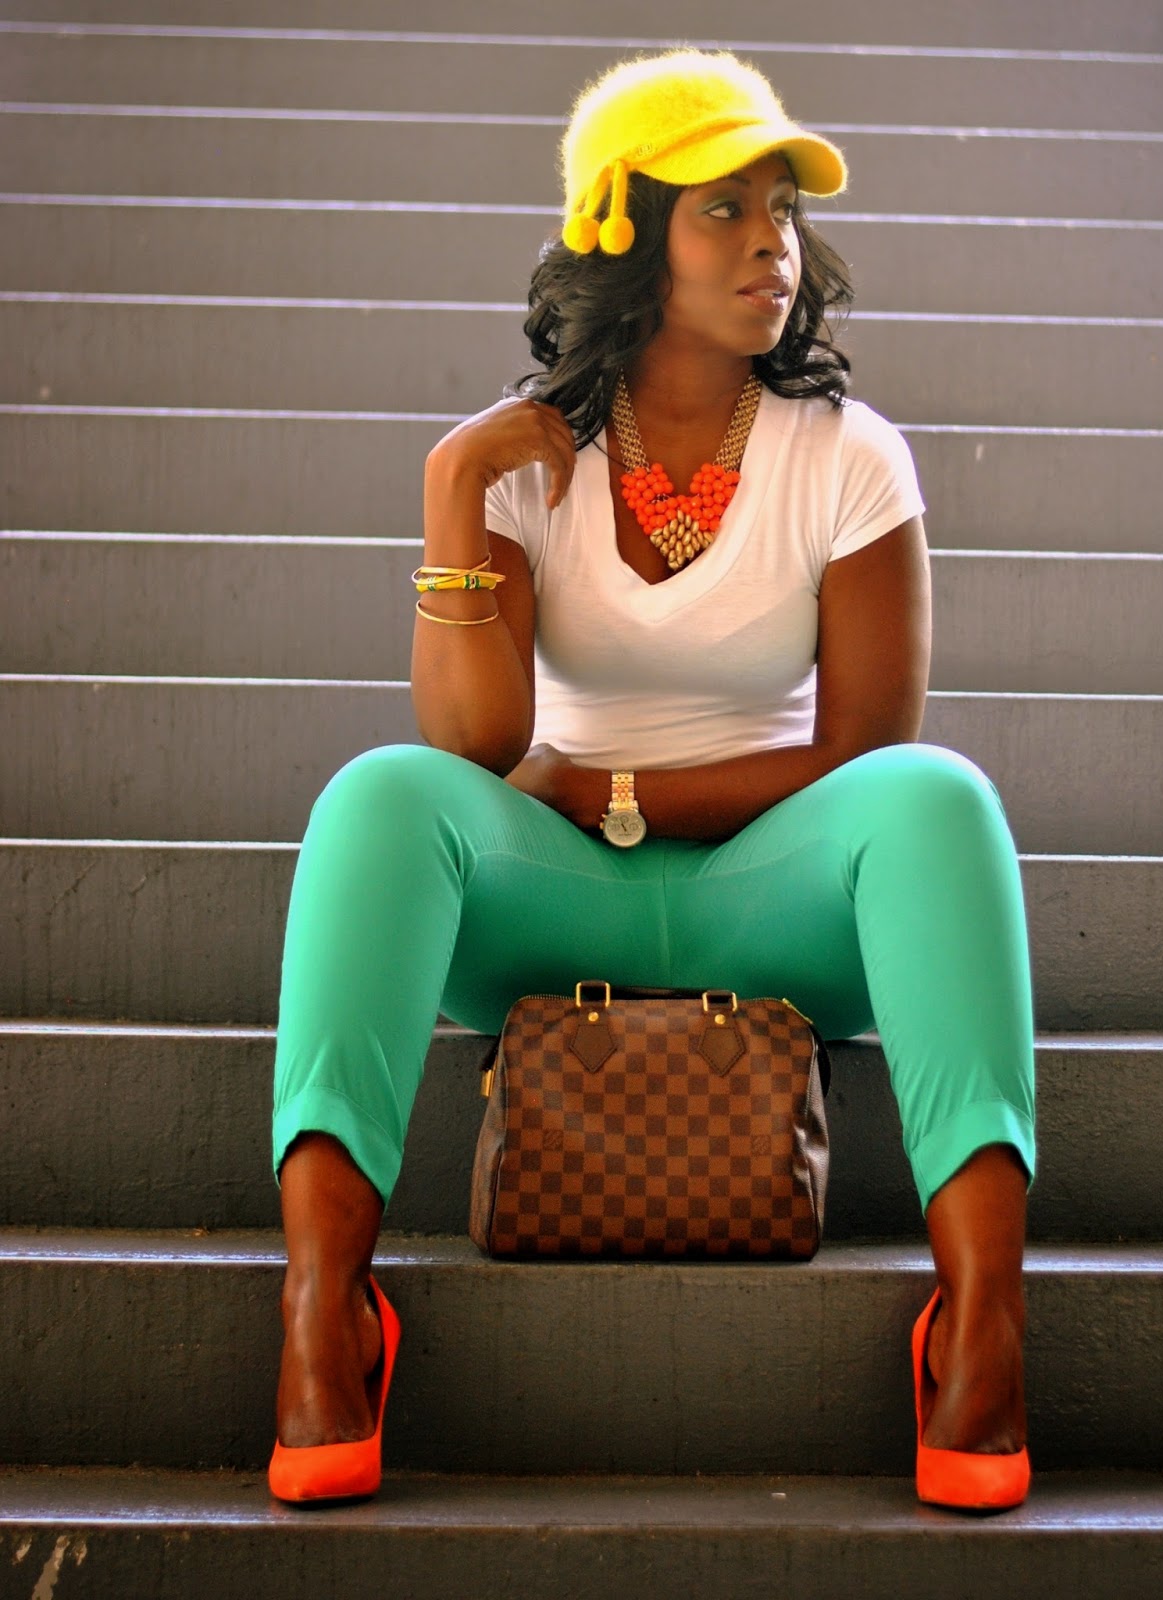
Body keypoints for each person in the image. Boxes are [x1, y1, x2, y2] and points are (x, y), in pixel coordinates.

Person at [267, 49, 1036, 1512]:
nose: (771, 244)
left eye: (782, 211)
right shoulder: (522, 458)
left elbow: (862, 752)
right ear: (626, 237)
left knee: (940, 798)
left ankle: (983, 1330)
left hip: (780, 907)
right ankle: (323, 1318)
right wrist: (453, 489)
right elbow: (475, 747)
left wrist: (612, 791)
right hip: (553, 913)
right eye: (723, 209)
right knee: (378, 796)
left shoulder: (849, 459)